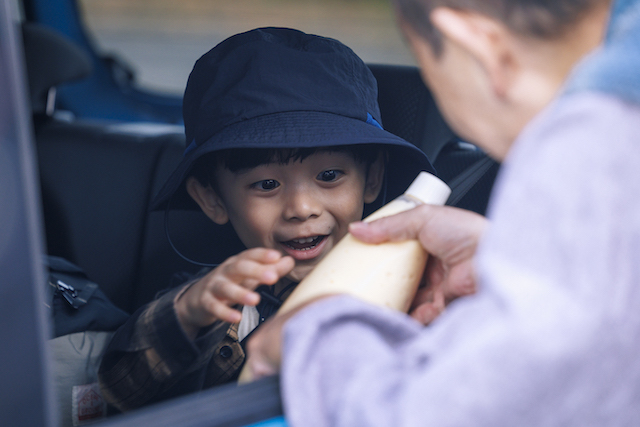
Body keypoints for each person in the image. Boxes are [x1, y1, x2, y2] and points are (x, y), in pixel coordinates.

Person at [244, 0, 640, 424]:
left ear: (482, 50)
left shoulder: (589, 151)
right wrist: (500, 254)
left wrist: (315, 337)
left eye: (433, 77)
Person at [97, 27, 435, 411]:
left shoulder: (415, 292)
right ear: (212, 199)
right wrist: (188, 313)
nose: (301, 208)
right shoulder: (221, 301)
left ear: (371, 179)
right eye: (267, 184)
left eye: (329, 176)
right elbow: (116, 390)